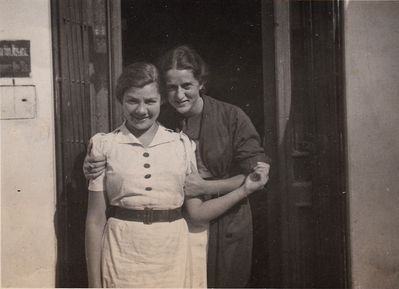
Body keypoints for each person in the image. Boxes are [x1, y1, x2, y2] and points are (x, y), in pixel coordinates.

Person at [84, 62, 268, 288]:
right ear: (121, 100)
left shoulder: (181, 145)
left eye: (150, 101)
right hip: (122, 254)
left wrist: (245, 189)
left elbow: (197, 213)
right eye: (133, 100)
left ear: (161, 100)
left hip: (172, 255)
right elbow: (95, 220)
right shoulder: (104, 145)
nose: (141, 110)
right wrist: (93, 283)